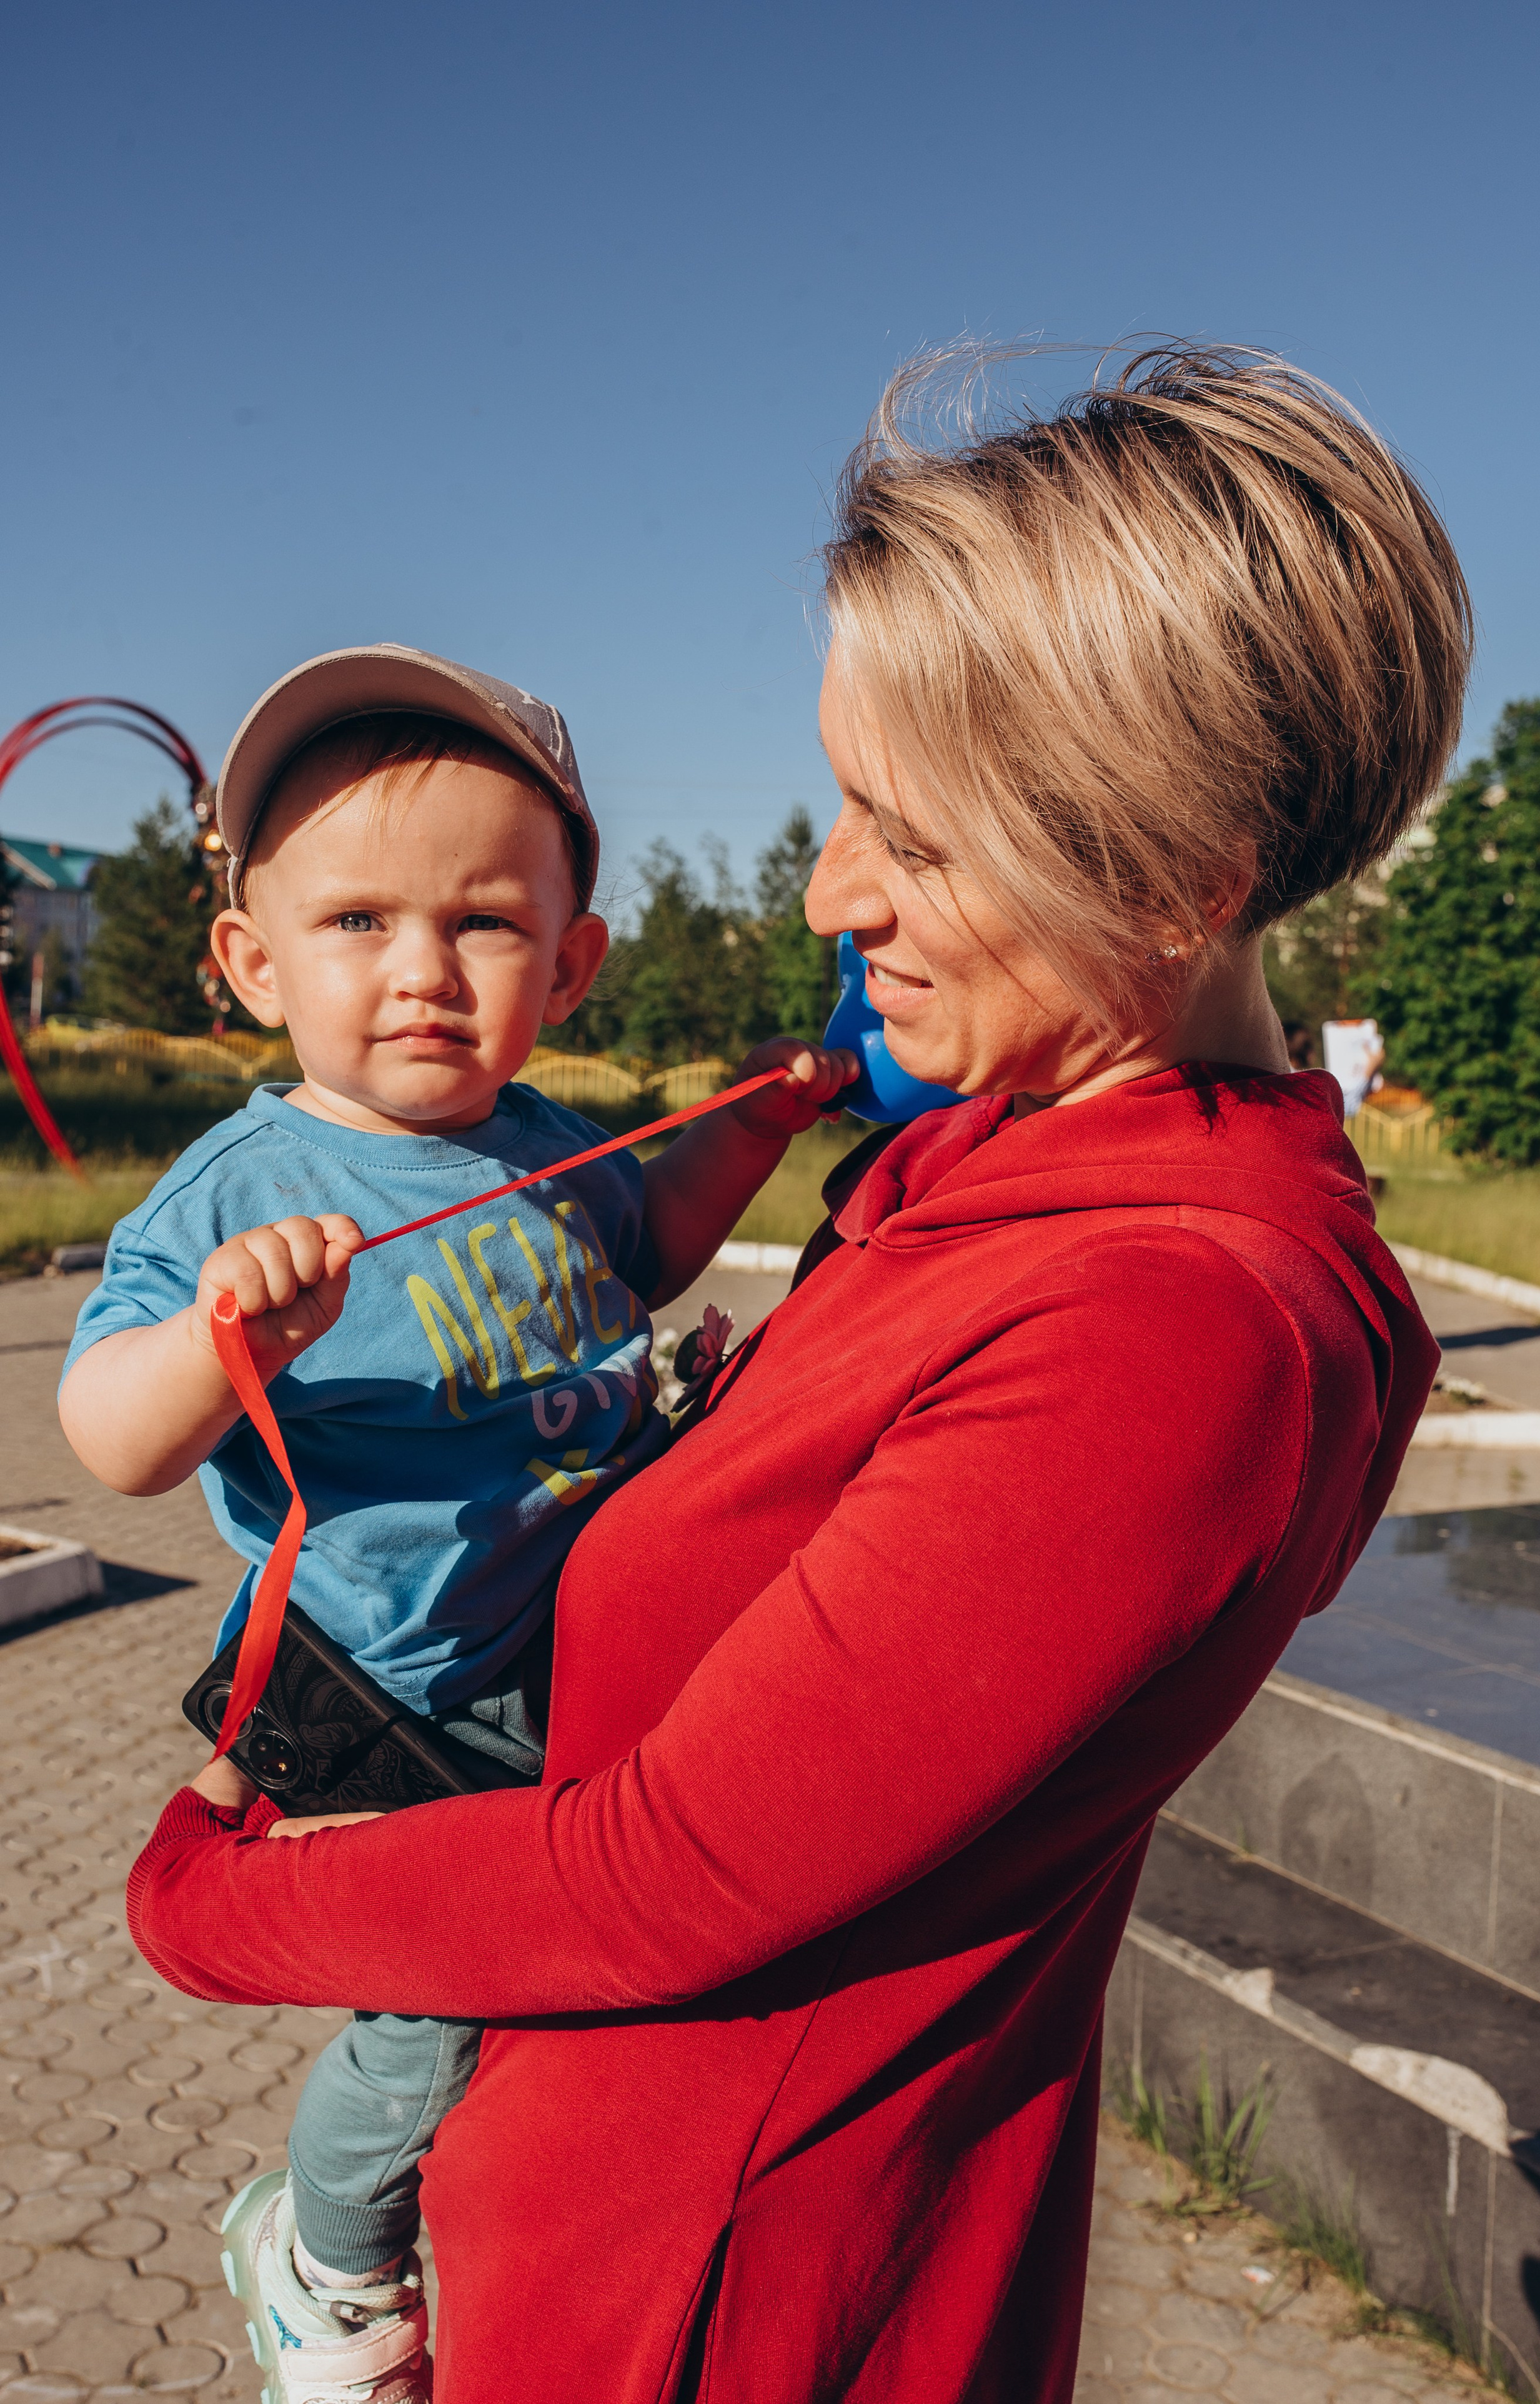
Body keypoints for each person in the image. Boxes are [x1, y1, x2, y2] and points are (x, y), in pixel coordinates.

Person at [126, 347, 1469, 2404]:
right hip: (584, 2216)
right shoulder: (1018, 1171)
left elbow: (676, 1875)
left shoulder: (1174, 1320)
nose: (834, 894)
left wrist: (214, 1910)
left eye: (912, 840)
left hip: (714, 2295)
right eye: (846, 799)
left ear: (1181, 877)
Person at [59, 645, 853, 2401]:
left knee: (559, 2003)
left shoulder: (545, 1141)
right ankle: (321, 2263)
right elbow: (101, 1434)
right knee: (433, 2024)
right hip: (393, 1693)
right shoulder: (248, 1194)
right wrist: (219, 1348)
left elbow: (640, 1246)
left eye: (486, 924)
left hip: (554, 1659)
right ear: (252, 965)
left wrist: (765, 1124)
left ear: (568, 965)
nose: (422, 973)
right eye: (356, 924)